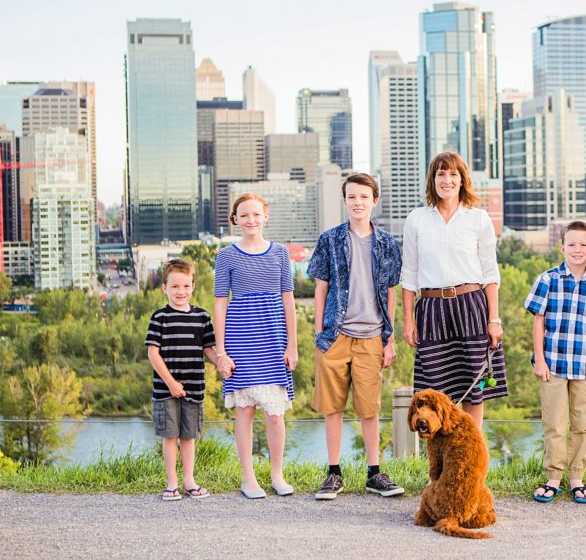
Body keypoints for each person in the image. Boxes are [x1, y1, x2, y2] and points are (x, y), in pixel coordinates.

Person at [307, 172, 404, 500]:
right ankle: (333, 473)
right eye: (352, 197)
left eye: (364, 197)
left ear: (374, 201)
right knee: (332, 407)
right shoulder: (330, 239)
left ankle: (374, 473)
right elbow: (320, 288)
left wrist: (389, 338)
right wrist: (320, 333)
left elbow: (391, 292)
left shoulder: (387, 242)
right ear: (345, 200)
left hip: (372, 336)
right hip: (336, 335)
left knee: (369, 408)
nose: (358, 202)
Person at [400, 151, 506, 428]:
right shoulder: (417, 219)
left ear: (462, 180)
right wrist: (408, 319)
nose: (447, 180)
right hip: (432, 310)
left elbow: (489, 273)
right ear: (432, 180)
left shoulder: (478, 218)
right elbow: (409, 274)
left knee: (475, 389)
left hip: (471, 305)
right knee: (434, 393)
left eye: (453, 174)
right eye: (441, 174)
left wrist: (493, 319)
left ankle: (472, 460)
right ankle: (441, 465)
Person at [214, 193, 298, 500]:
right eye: (244, 215)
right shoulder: (227, 255)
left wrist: (292, 345)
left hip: (273, 338)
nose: (250, 220)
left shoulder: (280, 253)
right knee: (245, 410)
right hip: (240, 339)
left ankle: (277, 474)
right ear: (235, 219)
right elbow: (220, 304)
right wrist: (221, 352)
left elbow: (288, 300)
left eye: (256, 214)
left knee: (275, 414)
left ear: (266, 216)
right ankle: (248, 478)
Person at [524, 221, 586, 504]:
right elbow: (539, 322)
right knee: (555, 425)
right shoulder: (548, 280)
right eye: (571, 244)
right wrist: (540, 360)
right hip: (553, 366)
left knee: (581, 424)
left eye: (583, 244)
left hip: (584, 366)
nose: (577, 250)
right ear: (562, 248)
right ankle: (553, 478)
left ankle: (577, 479)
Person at [146, 258, 217, 501]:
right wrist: (171, 383)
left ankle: (189, 481)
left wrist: (222, 363)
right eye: (175, 286)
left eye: (186, 286)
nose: (181, 292)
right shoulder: (160, 318)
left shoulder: (202, 317)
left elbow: (209, 348)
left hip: (194, 388)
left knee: (188, 437)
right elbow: (152, 353)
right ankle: (171, 483)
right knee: (170, 437)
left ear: (193, 287)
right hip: (166, 391)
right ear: (164, 287)